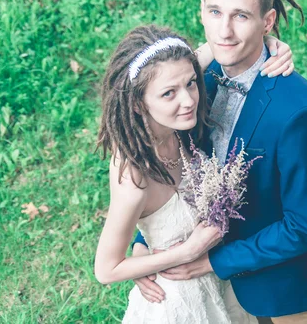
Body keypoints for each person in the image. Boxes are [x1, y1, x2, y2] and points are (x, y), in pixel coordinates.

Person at [133, 0, 307, 323]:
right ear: (201, 10)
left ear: (268, 21)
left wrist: (212, 261)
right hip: (221, 297)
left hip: (289, 297)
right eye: (215, 12)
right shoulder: (194, 80)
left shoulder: (298, 114)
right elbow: (173, 164)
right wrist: (144, 241)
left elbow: (305, 227)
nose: (224, 31)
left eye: (241, 16)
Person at [93, 24, 293, 323]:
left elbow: (220, 40)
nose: (188, 100)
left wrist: (267, 41)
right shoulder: (133, 177)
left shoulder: (173, 95)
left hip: (219, 282)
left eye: (190, 83)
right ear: (137, 103)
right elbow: (106, 269)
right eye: (169, 93)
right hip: (177, 301)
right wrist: (187, 252)